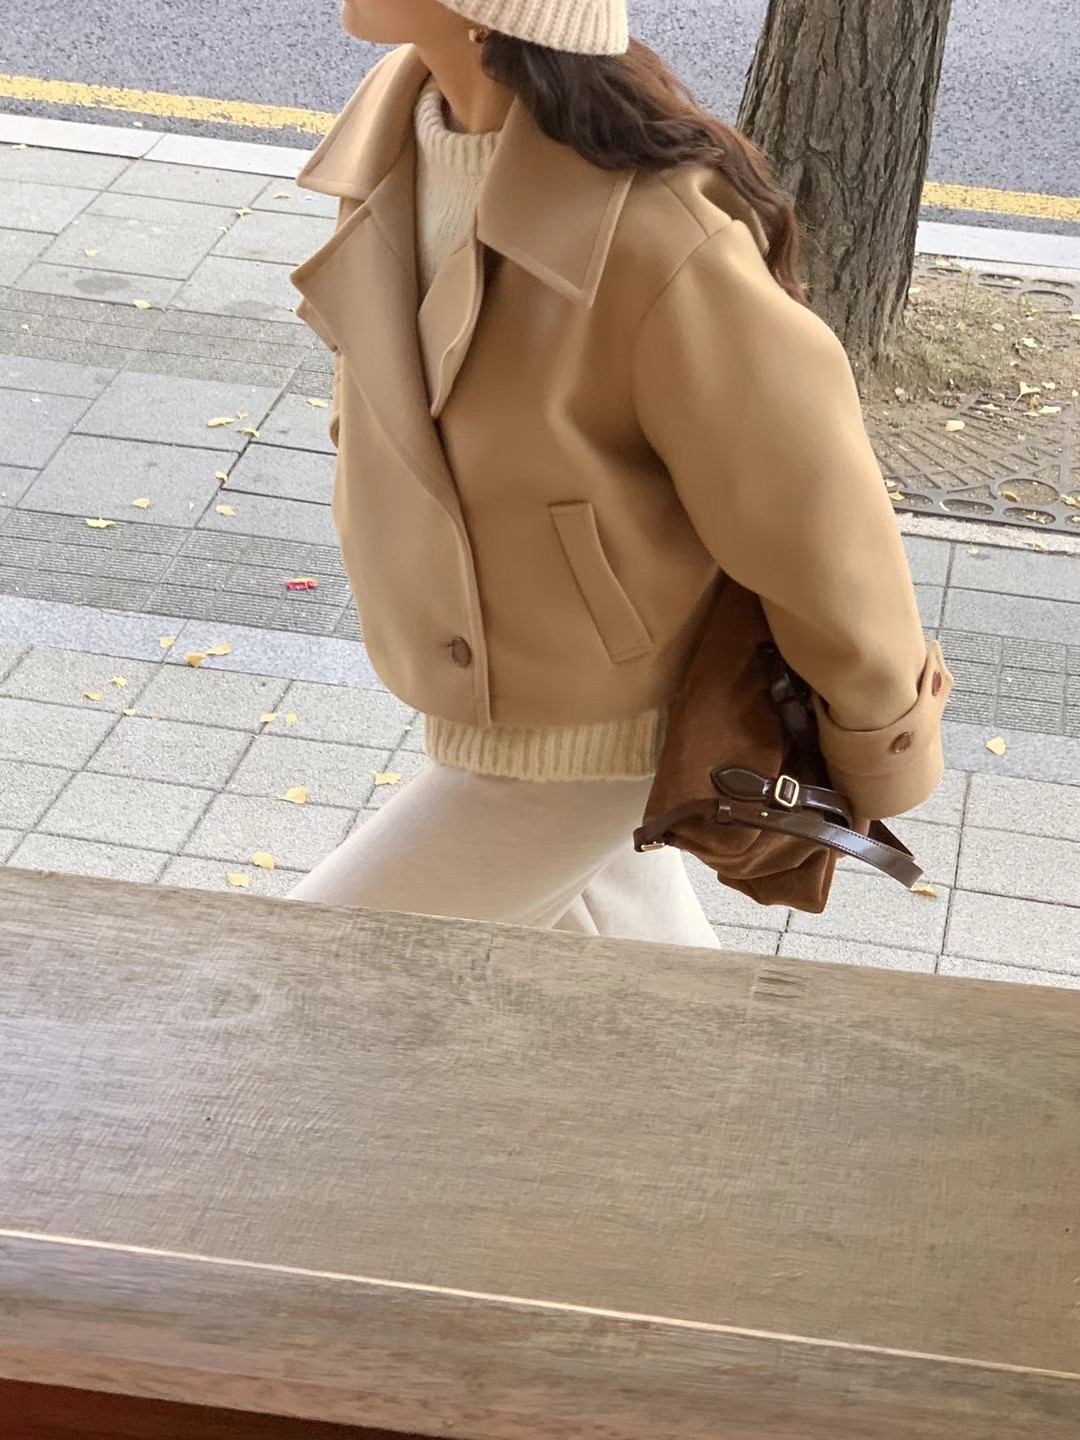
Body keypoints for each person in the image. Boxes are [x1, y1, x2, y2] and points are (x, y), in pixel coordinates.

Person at [285, 0, 949, 943]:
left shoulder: (654, 234)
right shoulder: (403, 142)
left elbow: (811, 515)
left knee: (303, 977)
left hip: (592, 733)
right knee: (651, 1010)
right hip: (498, 701)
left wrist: (881, 741)